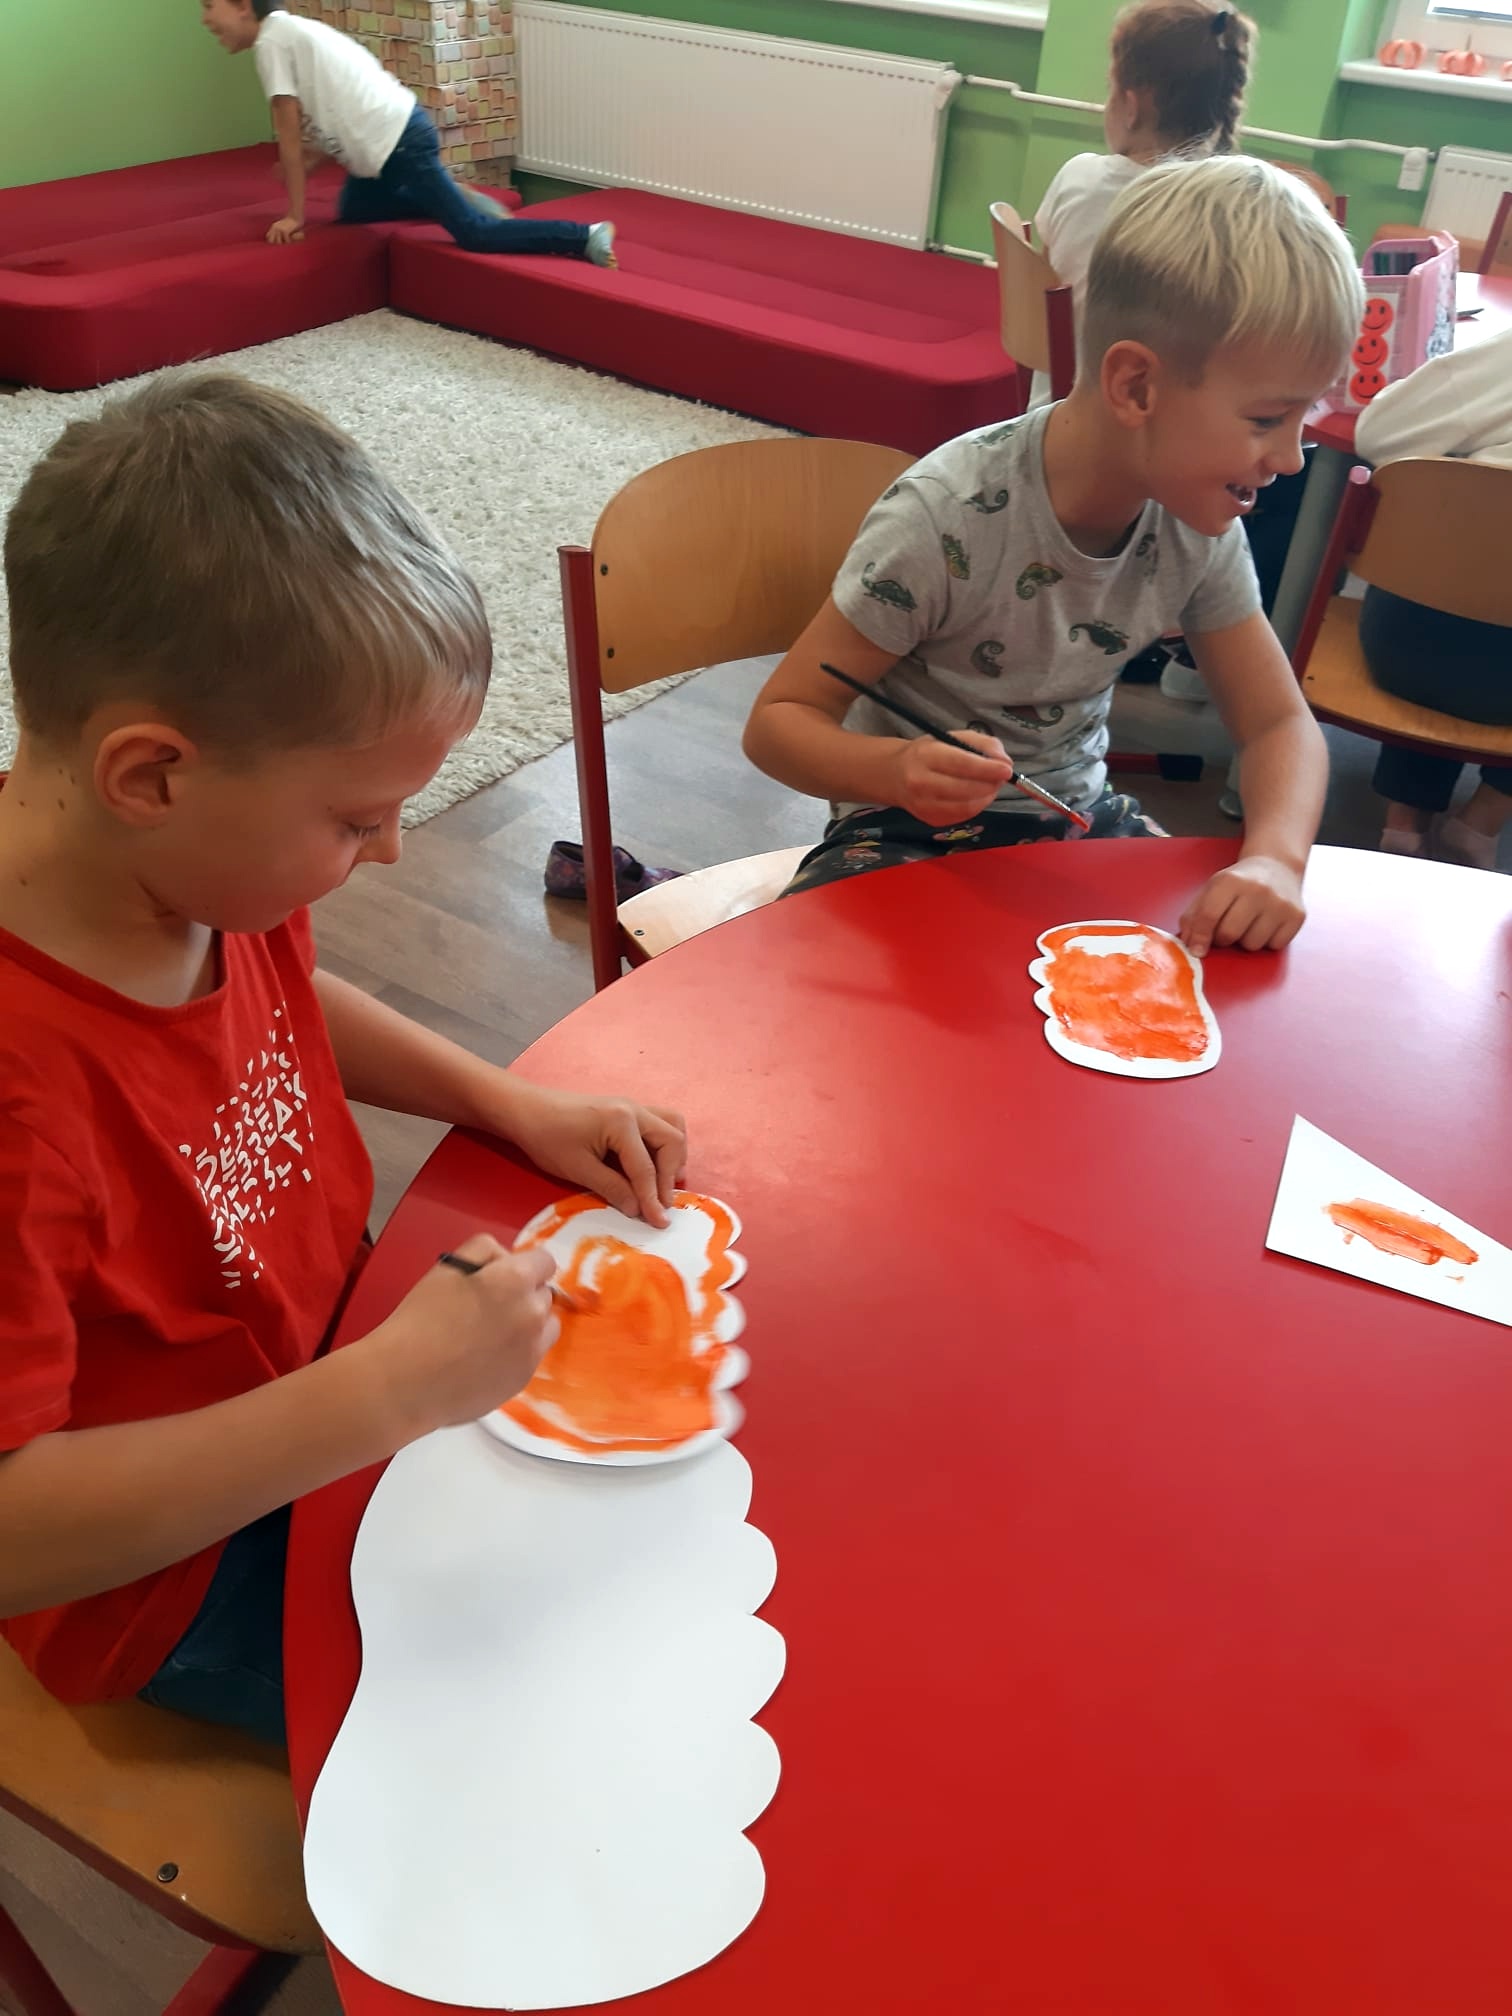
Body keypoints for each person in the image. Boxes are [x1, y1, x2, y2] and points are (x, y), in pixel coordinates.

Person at [0, 372, 685, 1746]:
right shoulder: (24, 1095)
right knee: (569, 1712)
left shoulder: (189, 872)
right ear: (151, 774)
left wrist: (509, 1103)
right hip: (178, 1568)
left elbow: (288, 996)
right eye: (357, 820)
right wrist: (383, 1394)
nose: (390, 853)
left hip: (337, 1359)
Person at [742, 156, 1364, 958]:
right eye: (1268, 420)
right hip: (901, 831)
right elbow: (777, 725)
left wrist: (1277, 859)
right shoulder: (945, 515)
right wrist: (896, 769)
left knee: (1209, 983)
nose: (1290, 458)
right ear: (1136, 387)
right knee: (837, 996)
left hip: (1080, 820)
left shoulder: (1199, 526)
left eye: (1303, 419)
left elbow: (1279, 723)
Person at [200, 0, 617, 266]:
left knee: (475, 233)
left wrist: (294, 215)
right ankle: (450, 196)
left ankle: (583, 235)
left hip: (399, 142)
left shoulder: (273, 42)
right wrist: (317, 154)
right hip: (387, 141)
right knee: (355, 209)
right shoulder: (291, 31)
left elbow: (286, 131)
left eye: (208, 6)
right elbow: (342, 101)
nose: (205, 19)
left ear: (242, 6)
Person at [1028, 0, 1255, 408]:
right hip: (1171, 429)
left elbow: (1043, 289)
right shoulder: (1239, 211)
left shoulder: (1078, 177)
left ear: (1131, 107)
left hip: (1058, 415)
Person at [1354, 329, 1512, 871]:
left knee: (1445, 556)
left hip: (1411, 648)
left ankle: (1404, 819)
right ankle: (1483, 821)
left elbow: (1376, 431)